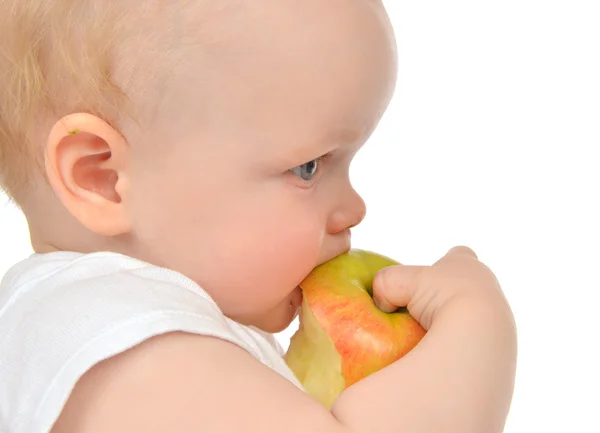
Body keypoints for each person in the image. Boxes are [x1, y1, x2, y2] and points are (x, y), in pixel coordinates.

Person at [0, 1, 518, 432]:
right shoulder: (141, 360)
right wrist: (479, 337)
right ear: (102, 177)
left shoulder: (48, 328)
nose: (354, 209)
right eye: (308, 166)